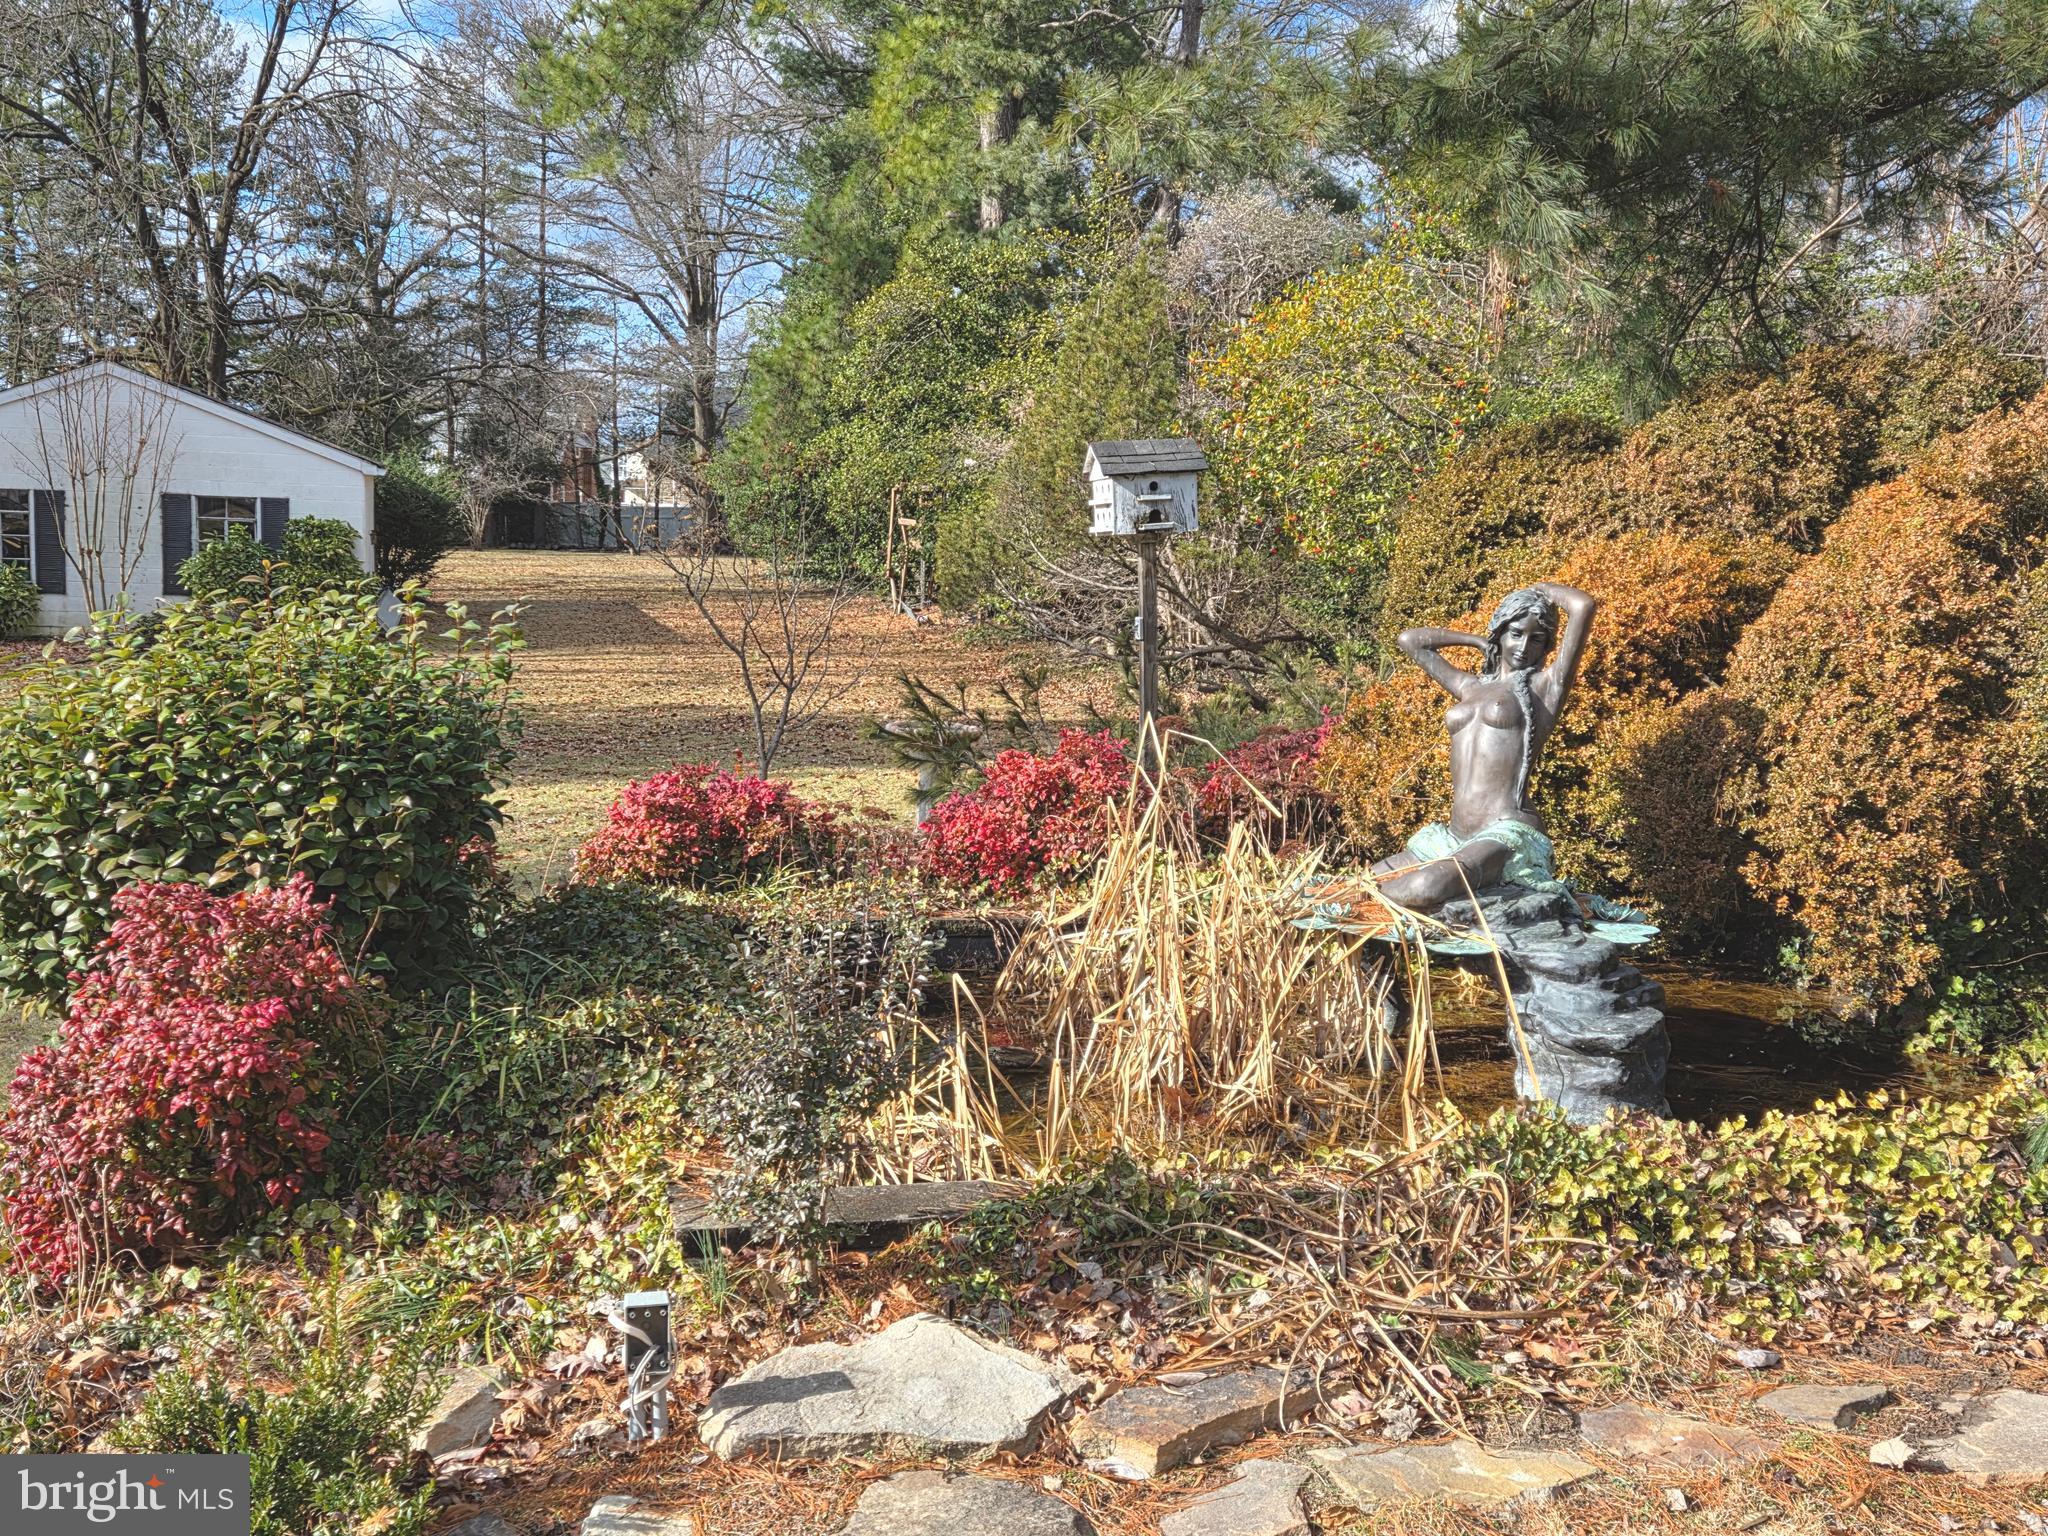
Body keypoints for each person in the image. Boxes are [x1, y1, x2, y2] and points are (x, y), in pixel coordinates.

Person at [1370, 580, 1597, 912]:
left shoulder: (1544, 689)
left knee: (1422, 886)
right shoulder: (1470, 686)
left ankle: (1362, 905)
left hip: (1505, 833)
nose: (1524, 647)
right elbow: (1411, 641)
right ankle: (1363, 902)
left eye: (1537, 639)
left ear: (1547, 645)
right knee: (1365, 877)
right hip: (1452, 837)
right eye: (1516, 633)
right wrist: (1476, 640)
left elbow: (1582, 605)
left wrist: (1543, 590)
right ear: (1501, 634)